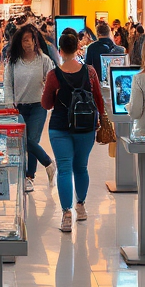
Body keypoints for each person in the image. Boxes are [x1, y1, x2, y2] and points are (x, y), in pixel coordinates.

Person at [41, 31, 105, 233]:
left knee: (65, 168)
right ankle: (81, 206)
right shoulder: (90, 72)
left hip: (60, 127)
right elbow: (98, 100)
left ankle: (66, 214)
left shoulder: (53, 75)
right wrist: (101, 118)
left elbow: (46, 104)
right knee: (81, 167)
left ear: (60, 50)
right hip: (85, 127)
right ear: (78, 48)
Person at [4, 24, 56, 193]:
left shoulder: (44, 60)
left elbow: (53, 81)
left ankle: (29, 177)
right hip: (19, 107)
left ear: (35, 41)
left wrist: (48, 91)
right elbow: (7, 83)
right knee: (23, 141)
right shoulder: (13, 61)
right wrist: (9, 103)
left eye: (30, 39)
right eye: (24, 40)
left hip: (38, 106)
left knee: (31, 140)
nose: (27, 43)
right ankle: (48, 162)